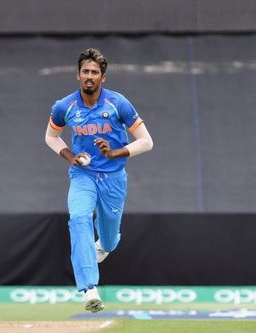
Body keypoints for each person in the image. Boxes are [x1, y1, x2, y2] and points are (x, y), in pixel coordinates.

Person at [45, 48, 153, 312]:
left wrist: (115, 151)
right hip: (83, 175)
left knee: (109, 241)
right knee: (79, 218)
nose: (89, 76)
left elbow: (147, 142)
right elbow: (51, 136)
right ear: (78, 75)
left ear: (102, 78)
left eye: (95, 72)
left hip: (114, 178)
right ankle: (89, 289)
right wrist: (70, 156)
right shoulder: (64, 107)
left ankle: (103, 245)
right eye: (85, 71)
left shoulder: (118, 103)